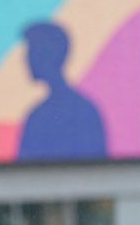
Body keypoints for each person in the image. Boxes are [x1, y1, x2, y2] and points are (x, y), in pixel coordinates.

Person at [18, 22, 107, 161]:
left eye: (31, 51)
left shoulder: (82, 113)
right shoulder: (39, 115)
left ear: (47, 55)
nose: (26, 59)